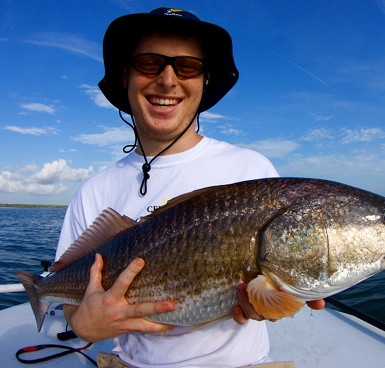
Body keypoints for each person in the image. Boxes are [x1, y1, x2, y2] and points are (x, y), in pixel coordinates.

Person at [56, 7, 324, 367]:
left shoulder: (251, 169)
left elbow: (272, 288)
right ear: (126, 76)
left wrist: (271, 304)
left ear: (205, 81)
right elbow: (71, 301)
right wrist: (84, 326)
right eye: (149, 63)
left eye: (187, 67)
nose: (168, 80)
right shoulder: (93, 191)